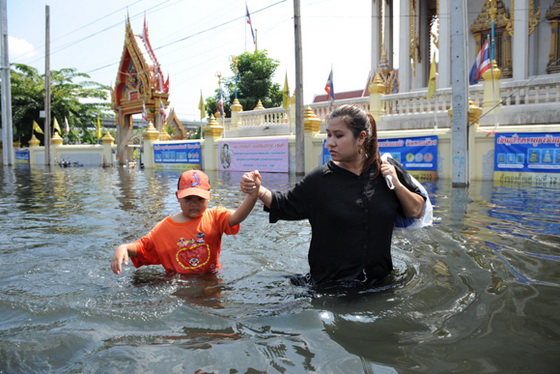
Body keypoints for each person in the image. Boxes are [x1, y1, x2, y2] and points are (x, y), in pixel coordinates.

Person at [241, 104, 425, 288]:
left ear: (361, 137)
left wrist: (396, 183)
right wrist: (257, 189)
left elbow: (416, 210)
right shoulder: (320, 180)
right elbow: (282, 203)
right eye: (328, 134)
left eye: (338, 135)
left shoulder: (386, 170)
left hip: (381, 285)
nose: (330, 142)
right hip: (330, 290)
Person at [111, 169, 260, 275]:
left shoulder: (215, 216)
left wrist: (253, 195)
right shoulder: (165, 227)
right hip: (179, 281)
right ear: (178, 197)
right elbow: (141, 247)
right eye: (188, 199)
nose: (193, 204)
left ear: (209, 197)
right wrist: (123, 248)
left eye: (200, 199)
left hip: (210, 277)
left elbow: (238, 217)